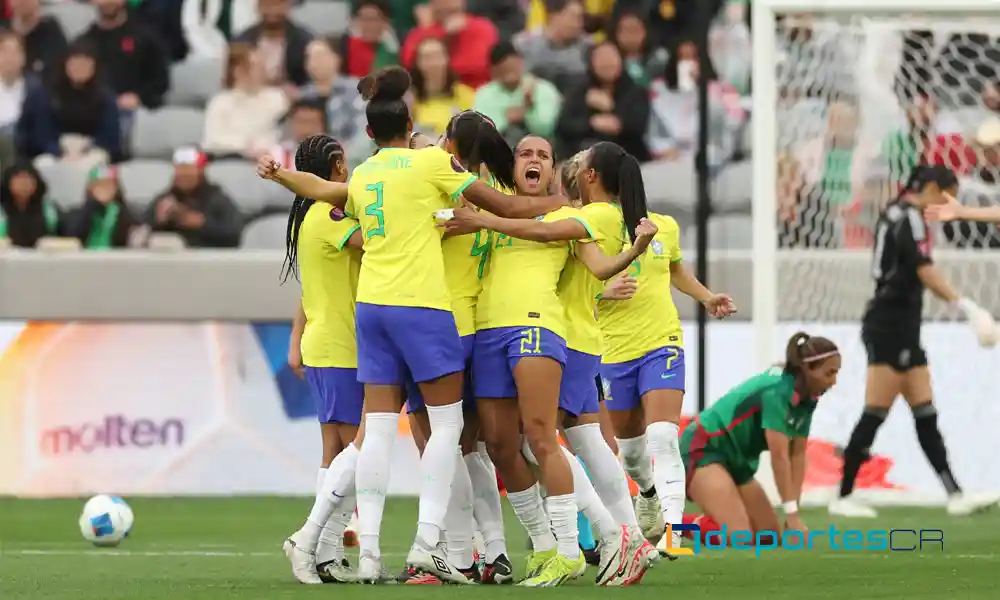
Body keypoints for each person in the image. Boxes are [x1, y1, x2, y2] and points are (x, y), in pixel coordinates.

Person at [258, 66, 568, 585]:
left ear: (369, 134)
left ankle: (371, 553)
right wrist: (566, 202)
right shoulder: (435, 169)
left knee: (376, 434)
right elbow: (511, 208)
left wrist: (280, 174)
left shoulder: (363, 175)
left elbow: (317, 188)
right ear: (410, 126)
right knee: (458, 438)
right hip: (430, 313)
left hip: (372, 312)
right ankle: (439, 545)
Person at [443, 137, 658, 586]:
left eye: (544, 155)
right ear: (513, 166)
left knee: (546, 438)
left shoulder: (567, 215)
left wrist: (632, 255)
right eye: (525, 154)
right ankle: (560, 543)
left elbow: (594, 264)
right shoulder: (494, 217)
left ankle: (580, 546)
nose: (534, 160)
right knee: (504, 445)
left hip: (540, 328)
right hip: (487, 333)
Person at [830, 165, 1000, 518]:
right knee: (876, 411)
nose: (948, 204)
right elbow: (925, 269)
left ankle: (954, 494)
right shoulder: (911, 217)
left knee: (925, 411)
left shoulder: (894, 211)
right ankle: (842, 496)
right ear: (934, 189)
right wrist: (968, 307)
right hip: (889, 325)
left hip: (901, 325)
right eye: (947, 195)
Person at [588, 149, 735, 556]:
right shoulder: (592, 226)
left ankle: (673, 531)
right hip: (613, 352)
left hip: (661, 344)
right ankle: (648, 494)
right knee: (632, 453)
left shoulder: (664, 227)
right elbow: (573, 284)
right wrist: (604, 291)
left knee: (663, 437)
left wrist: (707, 297)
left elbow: (675, 271)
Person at [397, 111, 514, 585]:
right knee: (471, 448)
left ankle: (458, 556)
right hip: (478, 327)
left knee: (438, 443)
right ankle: (497, 552)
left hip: (437, 325)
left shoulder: (444, 194)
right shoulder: (498, 198)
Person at [280, 135, 365, 585]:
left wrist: (296, 337)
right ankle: (310, 542)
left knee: (334, 452)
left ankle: (326, 556)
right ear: (334, 167)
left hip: (325, 343)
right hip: (342, 346)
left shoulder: (310, 218)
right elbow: (377, 245)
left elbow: (309, 288)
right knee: (359, 450)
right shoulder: (332, 217)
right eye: (346, 166)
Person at [676, 333, 840, 547]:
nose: (834, 381)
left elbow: (797, 454)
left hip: (737, 462)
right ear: (808, 369)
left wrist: (794, 513)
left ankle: (714, 523)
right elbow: (780, 458)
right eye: (829, 373)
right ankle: (668, 524)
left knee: (768, 538)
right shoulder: (778, 392)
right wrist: (790, 516)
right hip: (704, 447)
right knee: (740, 537)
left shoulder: (808, 398)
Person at [70, 165, 140, 249]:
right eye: (98, 185)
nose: (104, 189)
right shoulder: (79, 214)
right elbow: (73, 235)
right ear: (90, 188)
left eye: (108, 185)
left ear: (116, 188)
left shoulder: (127, 214)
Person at [0, 162, 61, 247]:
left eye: (29, 179)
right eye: (19, 178)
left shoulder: (47, 208)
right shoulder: (2, 207)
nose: (24, 183)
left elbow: (53, 236)